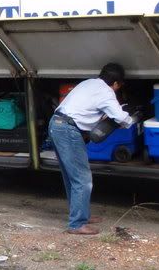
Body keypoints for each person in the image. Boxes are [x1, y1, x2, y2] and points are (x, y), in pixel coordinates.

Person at [48, 62, 134, 236]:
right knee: (82, 178)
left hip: (56, 124)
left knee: (71, 177)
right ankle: (77, 224)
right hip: (68, 129)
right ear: (116, 83)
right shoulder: (107, 92)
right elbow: (120, 117)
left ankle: (82, 215)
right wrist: (132, 119)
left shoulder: (88, 83)